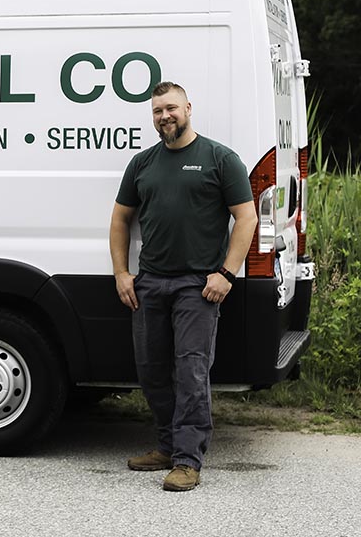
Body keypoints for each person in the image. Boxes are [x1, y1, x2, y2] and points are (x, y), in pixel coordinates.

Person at [109, 81, 258, 492]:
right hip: (150, 282)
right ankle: (168, 445)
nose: (164, 116)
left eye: (171, 108)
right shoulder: (142, 164)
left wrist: (226, 273)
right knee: (152, 369)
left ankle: (188, 461)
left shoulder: (219, 158)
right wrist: (123, 273)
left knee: (191, 369)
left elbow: (246, 218)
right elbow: (121, 219)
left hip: (198, 285)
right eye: (157, 111)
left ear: (188, 108)